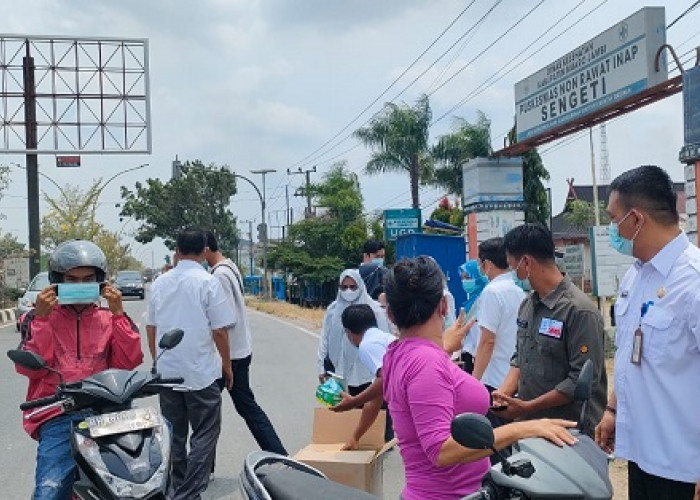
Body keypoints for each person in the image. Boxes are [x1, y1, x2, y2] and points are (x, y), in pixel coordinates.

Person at [381, 256, 578, 500]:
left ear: (390, 314)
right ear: (443, 305)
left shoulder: (397, 353)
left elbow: (417, 378)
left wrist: (442, 349)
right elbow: (441, 450)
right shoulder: (427, 364)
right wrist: (524, 429)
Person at [594, 165, 700, 500]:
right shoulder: (635, 278)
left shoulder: (694, 281)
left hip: (685, 467)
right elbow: (629, 353)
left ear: (636, 220)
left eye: (614, 219)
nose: (612, 229)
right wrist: (613, 410)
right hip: (641, 455)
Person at [13, 240, 143, 499]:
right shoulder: (36, 318)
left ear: (101, 282)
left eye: (88, 279)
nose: (80, 285)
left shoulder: (110, 319)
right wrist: (41, 318)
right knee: (48, 491)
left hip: (107, 413)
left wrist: (118, 313)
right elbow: (33, 368)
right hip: (59, 413)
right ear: (56, 281)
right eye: (72, 280)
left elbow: (128, 363)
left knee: (143, 478)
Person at [492, 223, 607, 438]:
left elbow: (579, 382)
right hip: (531, 429)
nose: (513, 274)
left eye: (512, 266)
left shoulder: (579, 311)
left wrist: (528, 407)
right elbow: (520, 358)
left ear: (526, 263)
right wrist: (504, 394)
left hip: (570, 434)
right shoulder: (528, 305)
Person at [146, 228, 234, 500]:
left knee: (175, 436)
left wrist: (157, 361)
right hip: (201, 374)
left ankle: (179, 488)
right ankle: (188, 493)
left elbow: (151, 327)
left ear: (177, 249)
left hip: (169, 372)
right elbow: (220, 330)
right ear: (204, 249)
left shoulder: (160, 282)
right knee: (206, 434)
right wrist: (227, 366)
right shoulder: (208, 283)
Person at [204, 231, 287, 455]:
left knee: (210, 412)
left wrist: (223, 359)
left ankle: (278, 454)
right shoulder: (229, 267)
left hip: (229, 354)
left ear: (205, 249)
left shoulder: (219, 276)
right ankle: (278, 454)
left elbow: (224, 319)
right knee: (241, 406)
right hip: (238, 350)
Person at [317, 269, 390, 396]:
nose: (348, 291)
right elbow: (325, 339)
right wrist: (321, 367)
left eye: (352, 287)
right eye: (344, 287)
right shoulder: (333, 311)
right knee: (343, 411)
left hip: (369, 373)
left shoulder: (375, 310)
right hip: (340, 372)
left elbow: (384, 342)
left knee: (370, 409)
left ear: (360, 286)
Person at [471, 237, 526, 390]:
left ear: (487, 264)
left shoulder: (491, 292)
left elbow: (487, 341)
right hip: (513, 376)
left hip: (493, 379)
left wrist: (473, 382)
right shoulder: (519, 291)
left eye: (479, 263)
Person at [338, 304, 395, 449]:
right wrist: (355, 437)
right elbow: (375, 401)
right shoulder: (386, 338)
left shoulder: (367, 345)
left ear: (349, 332)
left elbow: (384, 379)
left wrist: (354, 401)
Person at [457, 259, 488, 373]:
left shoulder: (484, 298)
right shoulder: (471, 301)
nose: (465, 281)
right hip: (468, 351)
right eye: (463, 278)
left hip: (478, 353)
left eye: (468, 278)